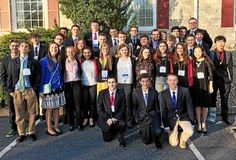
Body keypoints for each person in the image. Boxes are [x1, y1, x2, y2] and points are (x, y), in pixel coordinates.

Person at [7, 41, 41, 142]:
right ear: (19, 48)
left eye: (26, 46)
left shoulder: (34, 62)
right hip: (17, 91)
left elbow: (38, 77)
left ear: (28, 49)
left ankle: (31, 131)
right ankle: (21, 133)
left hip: (29, 89)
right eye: (22, 46)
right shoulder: (13, 62)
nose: (24, 48)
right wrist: (10, 90)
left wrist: (34, 89)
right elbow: (10, 76)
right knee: (19, 114)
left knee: (32, 112)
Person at [162, 73, 194, 149]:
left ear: (177, 81)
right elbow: (163, 111)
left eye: (174, 80)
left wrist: (192, 121)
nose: (172, 82)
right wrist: (166, 126)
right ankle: (173, 133)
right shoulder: (163, 94)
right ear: (167, 81)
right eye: (170, 80)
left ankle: (182, 140)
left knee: (190, 131)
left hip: (183, 117)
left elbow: (189, 106)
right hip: (171, 119)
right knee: (174, 143)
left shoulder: (185, 91)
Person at [40, 42, 65, 136]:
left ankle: (56, 126)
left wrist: (61, 84)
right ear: (49, 49)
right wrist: (41, 90)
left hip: (58, 87)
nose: (54, 49)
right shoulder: (43, 61)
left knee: (57, 108)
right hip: (48, 88)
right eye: (52, 47)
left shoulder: (59, 59)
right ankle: (49, 128)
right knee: (49, 109)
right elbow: (41, 76)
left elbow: (60, 74)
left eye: (56, 47)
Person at [133, 73, 162, 149]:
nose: (145, 83)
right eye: (143, 81)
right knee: (146, 141)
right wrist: (136, 118)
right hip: (142, 117)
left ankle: (157, 140)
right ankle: (143, 130)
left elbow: (157, 107)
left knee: (158, 131)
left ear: (150, 81)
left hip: (152, 115)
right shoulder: (136, 92)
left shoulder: (154, 92)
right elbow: (134, 107)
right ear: (140, 82)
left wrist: (159, 120)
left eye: (147, 81)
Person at [209, 36, 233, 125]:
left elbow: (230, 67)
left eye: (222, 41)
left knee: (225, 99)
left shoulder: (228, 54)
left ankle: (225, 117)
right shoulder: (211, 53)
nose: (221, 44)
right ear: (215, 43)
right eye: (219, 42)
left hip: (225, 81)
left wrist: (230, 79)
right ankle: (212, 116)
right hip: (214, 80)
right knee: (212, 98)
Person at [97, 75, 126, 147]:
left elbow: (123, 108)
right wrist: (108, 118)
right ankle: (112, 129)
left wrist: (115, 118)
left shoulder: (121, 93)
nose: (111, 84)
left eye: (113, 82)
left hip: (117, 115)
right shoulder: (102, 93)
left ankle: (121, 139)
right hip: (106, 115)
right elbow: (99, 109)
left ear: (116, 83)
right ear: (107, 83)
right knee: (107, 139)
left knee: (122, 124)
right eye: (109, 82)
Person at [192, 45, 213, 134]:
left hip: (205, 85)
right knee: (197, 105)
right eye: (195, 51)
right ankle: (199, 123)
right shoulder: (192, 61)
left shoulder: (206, 61)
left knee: (205, 105)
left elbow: (210, 74)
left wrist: (211, 85)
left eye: (199, 51)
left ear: (202, 52)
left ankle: (204, 122)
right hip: (195, 86)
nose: (197, 53)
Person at [0, 39, 19, 138]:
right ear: (9, 47)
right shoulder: (5, 60)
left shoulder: (22, 58)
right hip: (10, 90)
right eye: (13, 46)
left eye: (16, 46)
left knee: (22, 109)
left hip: (21, 89)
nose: (15, 48)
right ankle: (13, 128)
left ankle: (23, 127)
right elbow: (2, 76)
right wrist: (7, 90)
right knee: (12, 110)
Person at [114, 44, 136, 128]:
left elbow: (134, 72)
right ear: (119, 51)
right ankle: (120, 120)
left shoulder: (132, 60)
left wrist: (134, 85)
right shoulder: (116, 60)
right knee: (119, 102)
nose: (124, 52)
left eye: (125, 50)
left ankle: (129, 121)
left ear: (128, 50)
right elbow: (114, 72)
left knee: (128, 103)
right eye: (122, 50)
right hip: (119, 83)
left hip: (128, 83)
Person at [62, 46, 83, 131]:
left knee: (78, 104)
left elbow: (81, 71)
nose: (70, 53)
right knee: (69, 105)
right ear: (66, 53)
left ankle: (79, 123)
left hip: (76, 83)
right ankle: (71, 123)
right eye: (69, 51)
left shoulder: (78, 60)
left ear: (75, 52)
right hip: (67, 84)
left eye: (72, 51)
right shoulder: (63, 61)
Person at [80, 47, 98, 127]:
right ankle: (85, 118)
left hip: (93, 83)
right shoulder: (80, 61)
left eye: (88, 52)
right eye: (85, 53)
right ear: (83, 53)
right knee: (85, 102)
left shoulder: (95, 60)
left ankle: (91, 118)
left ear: (91, 53)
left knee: (92, 102)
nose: (87, 54)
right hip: (84, 84)